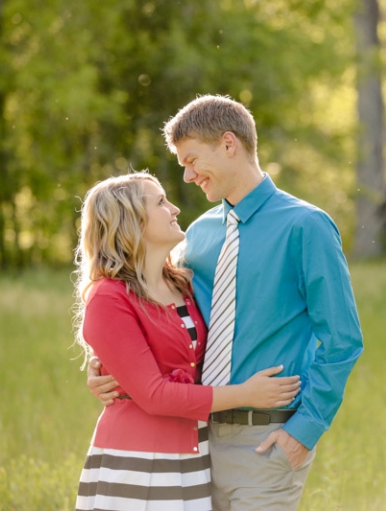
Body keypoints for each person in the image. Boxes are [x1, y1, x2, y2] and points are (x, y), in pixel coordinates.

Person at [88, 95, 364, 510]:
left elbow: (342, 340)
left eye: (192, 159)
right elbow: (166, 323)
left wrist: (304, 430)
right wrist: (107, 368)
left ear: (229, 144)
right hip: (191, 443)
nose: (187, 175)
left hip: (265, 442)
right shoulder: (197, 235)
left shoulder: (305, 227)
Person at [73, 172, 301, 511]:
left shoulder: (182, 283)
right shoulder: (109, 298)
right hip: (136, 457)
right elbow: (153, 395)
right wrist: (247, 394)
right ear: (130, 220)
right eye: (161, 202)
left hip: (191, 454)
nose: (175, 209)